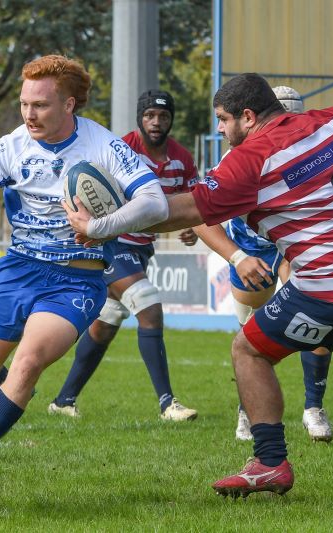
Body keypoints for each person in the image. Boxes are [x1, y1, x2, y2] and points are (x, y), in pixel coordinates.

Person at [66, 72, 333, 503]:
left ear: (247, 117)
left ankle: (270, 463)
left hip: (330, 284)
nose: (218, 129)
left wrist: (101, 225)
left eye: (222, 119)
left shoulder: (248, 161)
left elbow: (178, 211)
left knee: (248, 351)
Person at [0, 55, 169, 502]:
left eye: (39, 105)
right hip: (17, 270)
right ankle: (10, 398)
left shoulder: (104, 146)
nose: (29, 114)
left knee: (28, 361)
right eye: (24, 104)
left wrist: (97, 228)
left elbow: (156, 203)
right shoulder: (10, 147)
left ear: (69, 105)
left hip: (75, 280)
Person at [47, 89, 198, 421]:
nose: (156, 122)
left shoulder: (183, 159)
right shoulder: (121, 148)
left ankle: (63, 400)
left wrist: (189, 227)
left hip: (142, 249)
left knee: (105, 323)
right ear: (139, 118)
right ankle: (167, 404)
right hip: (112, 246)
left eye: (163, 116)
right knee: (148, 306)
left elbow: (192, 202)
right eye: (149, 116)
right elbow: (88, 189)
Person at [194, 86, 333, 442]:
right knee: (249, 336)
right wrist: (238, 257)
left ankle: (313, 407)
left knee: (316, 321)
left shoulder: (310, 152)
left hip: (291, 247)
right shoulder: (235, 162)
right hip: (250, 248)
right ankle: (247, 407)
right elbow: (199, 214)